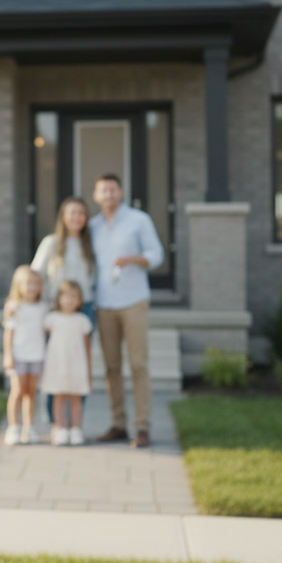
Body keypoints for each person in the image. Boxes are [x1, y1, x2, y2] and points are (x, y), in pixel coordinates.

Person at [88, 173, 164, 448]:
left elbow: (157, 254)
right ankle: (118, 424)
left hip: (133, 301)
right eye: (103, 191)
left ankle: (142, 427)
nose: (108, 195)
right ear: (96, 196)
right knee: (111, 368)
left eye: (113, 190)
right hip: (104, 304)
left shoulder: (138, 220)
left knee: (138, 365)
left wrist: (135, 258)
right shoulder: (92, 226)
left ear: (120, 192)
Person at [30, 197, 97, 425]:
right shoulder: (51, 243)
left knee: (79, 365)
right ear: (63, 217)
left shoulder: (89, 245)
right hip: (56, 310)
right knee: (55, 365)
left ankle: (74, 423)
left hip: (84, 309)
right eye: (72, 213)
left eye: (81, 213)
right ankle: (54, 422)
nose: (76, 217)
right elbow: (35, 274)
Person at [41, 280, 94, 446]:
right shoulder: (51, 319)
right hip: (58, 364)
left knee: (76, 397)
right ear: (59, 299)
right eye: (66, 296)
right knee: (59, 396)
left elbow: (87, 346)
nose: (70, 300)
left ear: (80, 301)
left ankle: (76, 428)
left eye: (74, 297)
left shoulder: (82, 320)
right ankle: (61, 428)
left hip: (77, 364)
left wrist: (89, 369)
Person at [2, 265, 46, 445]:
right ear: (18, 285)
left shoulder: (43, 307)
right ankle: (13, 428)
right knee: (17, 391)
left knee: (31, 392)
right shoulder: (14, 306)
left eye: (36, 283)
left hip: (36, 356)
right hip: (18, 355)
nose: (32, 287)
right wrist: (8, 355)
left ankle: (30, 428)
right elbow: (8, 333)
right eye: (28, 283)